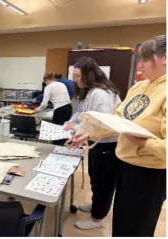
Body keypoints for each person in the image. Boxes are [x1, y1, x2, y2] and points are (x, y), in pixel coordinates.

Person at [67, 35, 166, 237]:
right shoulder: (140, 86)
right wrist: (88, 132)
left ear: (164, 58)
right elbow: (116, 119)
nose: (140, 66)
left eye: (146, 60)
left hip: (148, 172)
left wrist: (142, 143)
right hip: (125, 163)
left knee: (136, 226)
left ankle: (98, 215)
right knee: (122, 220)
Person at [63, 57, 122, 230]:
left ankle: (97, 218)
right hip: (97, 143)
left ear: (88, 75)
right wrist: (71, 123)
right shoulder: (90, 91)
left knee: (104, 182)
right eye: (74, 76)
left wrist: (79, 130)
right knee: (95, 178)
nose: (75, 80)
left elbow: (103, 125)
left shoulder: (100, 94)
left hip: (108, 144)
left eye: (78, 76)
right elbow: (81, 112)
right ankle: (96, 206)